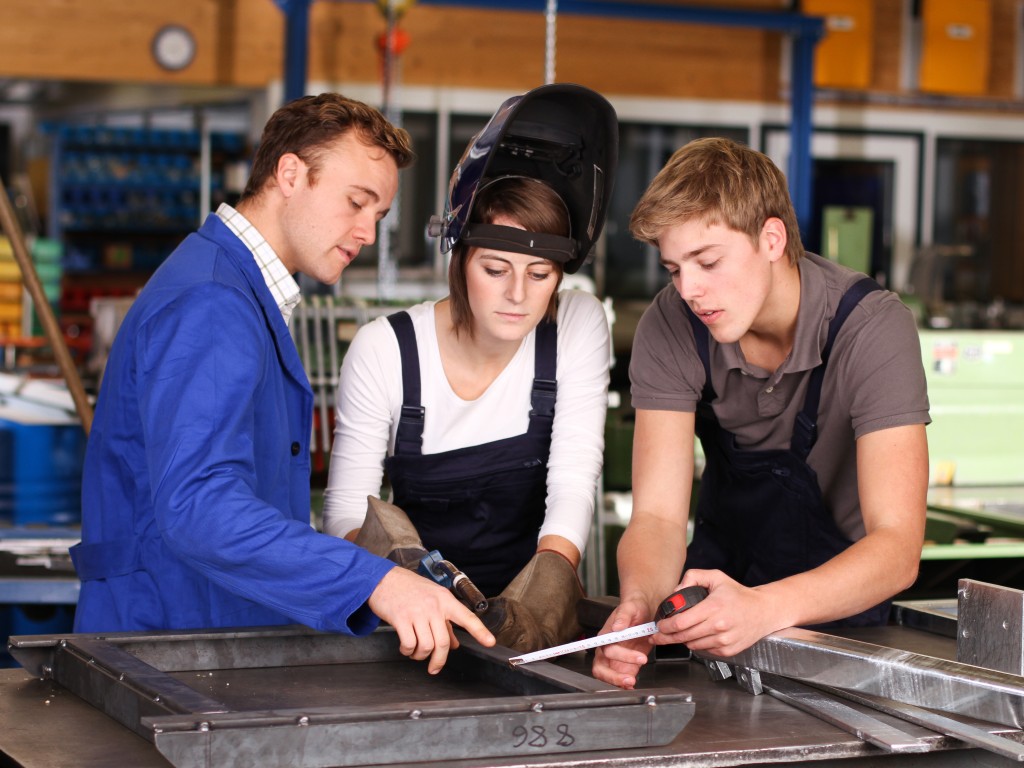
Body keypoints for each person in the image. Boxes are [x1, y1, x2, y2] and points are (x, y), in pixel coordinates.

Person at [70, 93, 495, 675]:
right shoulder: (212, 302)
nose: (367, 232)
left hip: (190, 635)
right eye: (356, 202)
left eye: (379, 215)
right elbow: (199, 506)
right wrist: (374, 582)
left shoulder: (236, 288)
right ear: (290, 173)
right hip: (165, 643)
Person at [593, 137, 930, 689]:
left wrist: (762, 609)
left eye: (708, 262)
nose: (690, 291)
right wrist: (638, 604)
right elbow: (656, 517)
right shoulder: (672, 324)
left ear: (771, 238)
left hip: (842, 627)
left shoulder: (871, 330)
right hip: (710, 610)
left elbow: (896, 547)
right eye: (674, 268)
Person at [323, 84, 618, 651]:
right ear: (458, 258)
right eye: (495, 268)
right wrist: (408, 584)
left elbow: (573, 479)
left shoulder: (577, 325)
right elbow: (345, 514)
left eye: (540, 275)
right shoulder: (386, 350)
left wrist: (546, 594)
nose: (517, 295)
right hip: (408, 622)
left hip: (528, 620)